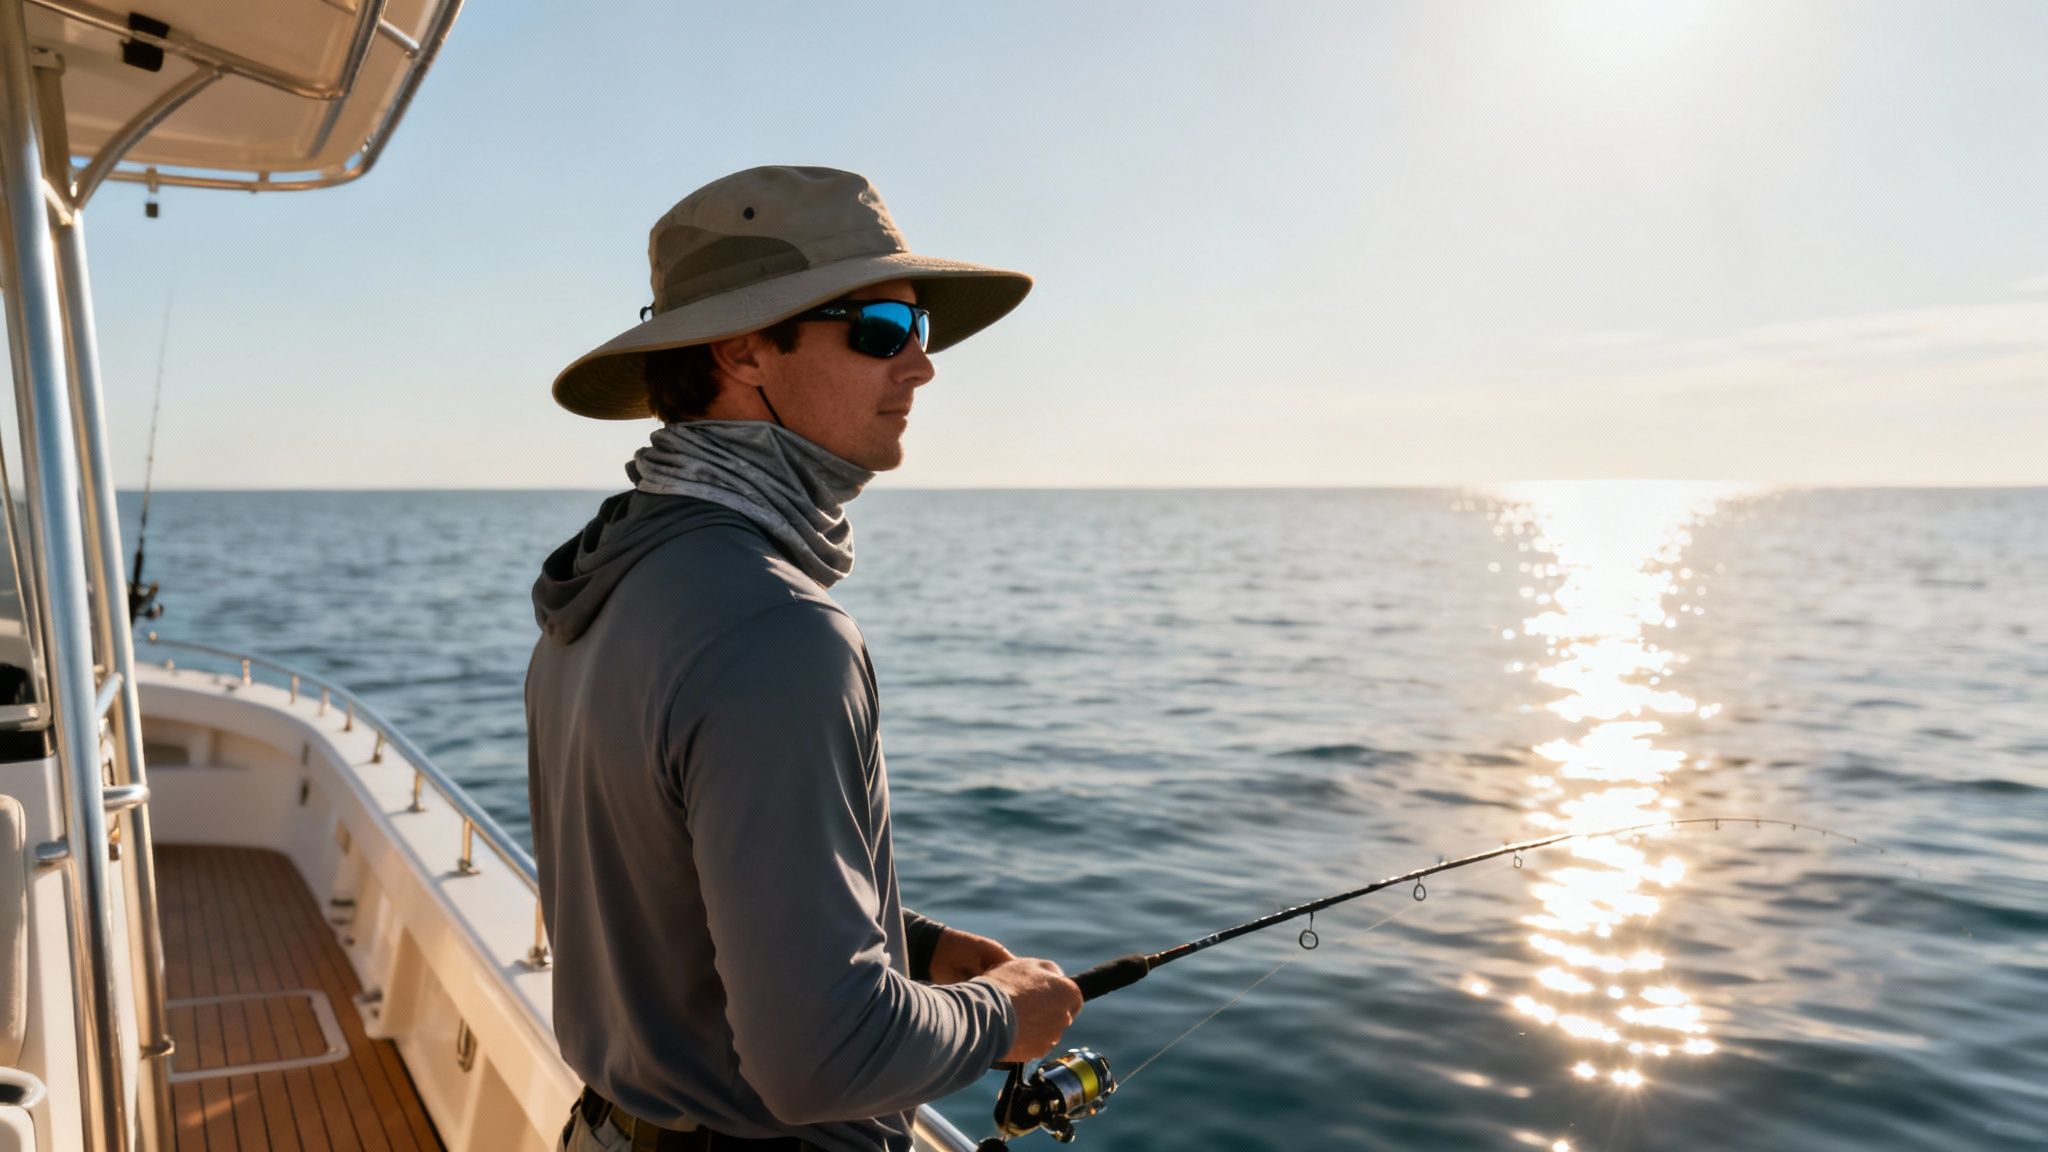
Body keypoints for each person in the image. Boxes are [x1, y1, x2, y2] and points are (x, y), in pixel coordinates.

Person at [527, 166, 1082, 1152]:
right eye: (878, 328)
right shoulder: (778, 630)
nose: (918, 367)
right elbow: (822, 1059)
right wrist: (1005, 1011)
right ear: (745, 352)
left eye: (921, 333)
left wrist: (904, 943)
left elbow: (662, 881)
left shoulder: (606, 583)